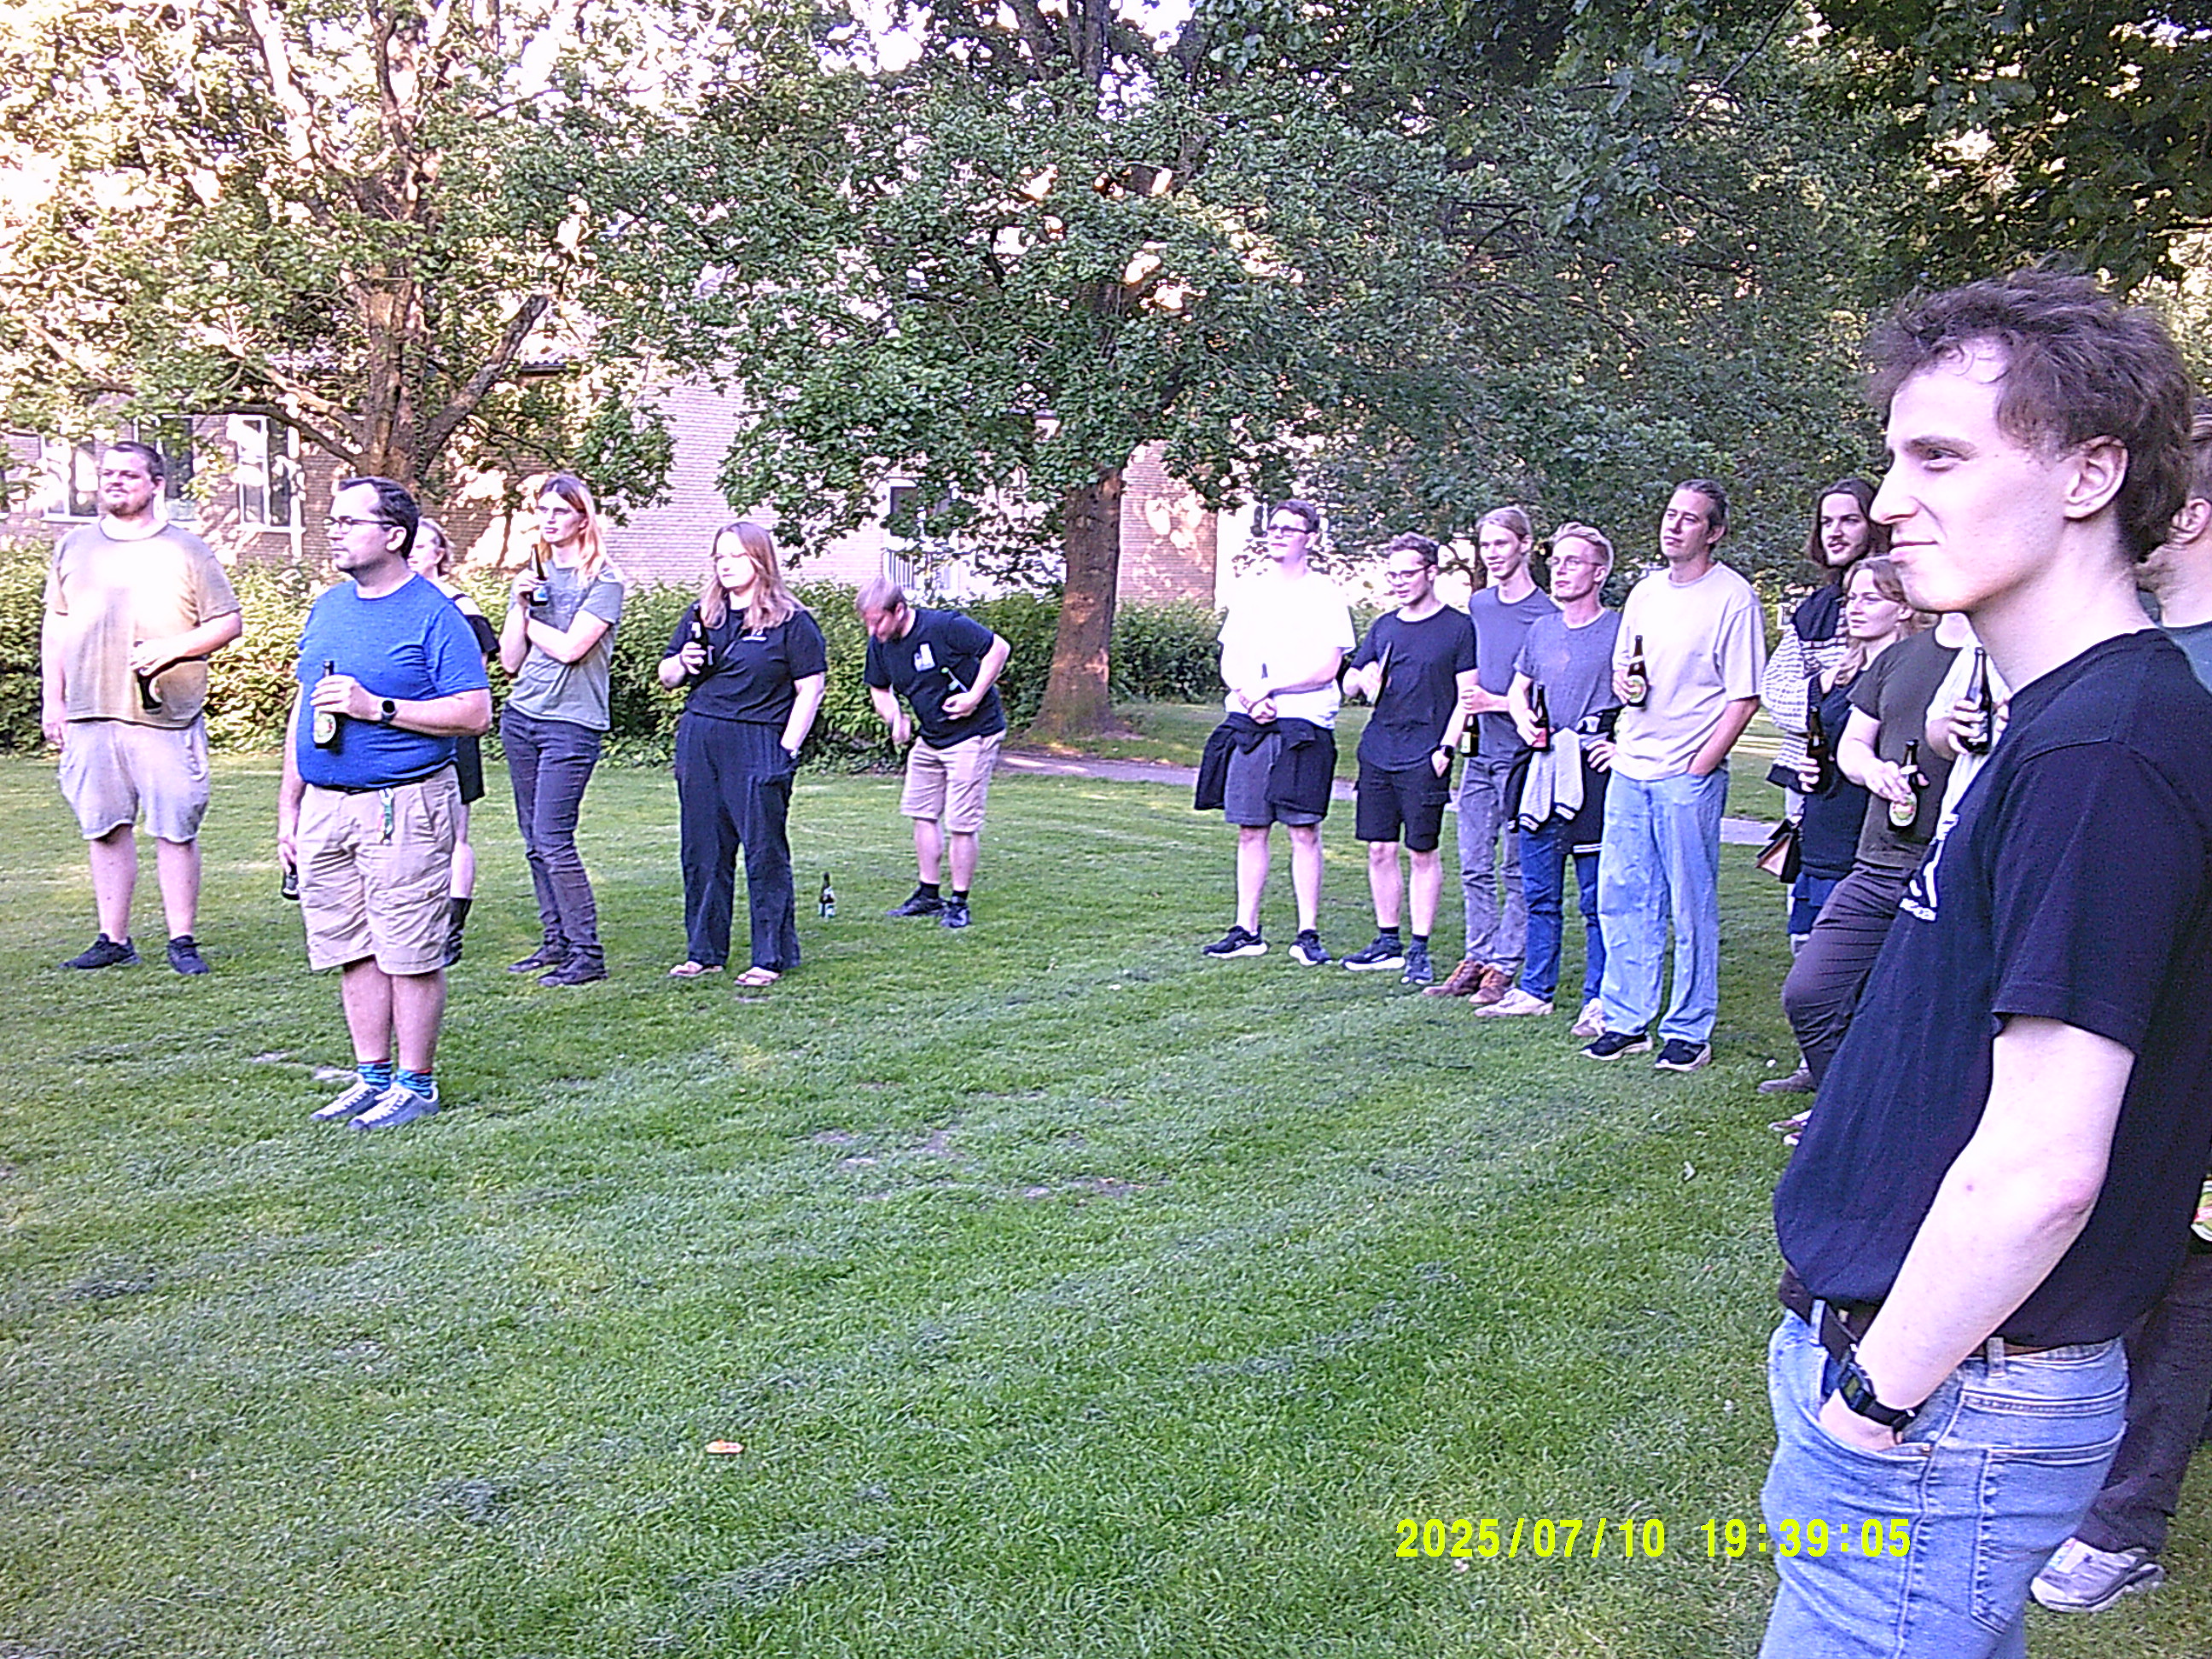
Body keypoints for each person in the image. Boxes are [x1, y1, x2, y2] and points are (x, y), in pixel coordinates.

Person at [1762, 271, 2212, 1659]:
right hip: (1936, 1380)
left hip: (1946, 1399)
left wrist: (1874, 1402)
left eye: (1940, 457)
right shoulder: (2056, 721)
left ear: (2090, 473)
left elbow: (2042, 1167)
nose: (1889, 500)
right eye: (1893, 458)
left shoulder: (2105, 750)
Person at [2029, 394, 2212, 1616]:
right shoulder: (2125, 658)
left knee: (2194, 1265)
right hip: (2133, 1006)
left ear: (2186, 514)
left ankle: (2127, 1519)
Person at [278, 477, 491, 1131]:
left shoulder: (435, 615)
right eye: (333, 521)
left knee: (409, 948)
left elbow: (475, 712)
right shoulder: (329, 608)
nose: (334, 531)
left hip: (405, 803)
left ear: (394, 535)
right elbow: (303, 708)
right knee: (351, 945)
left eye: (350, 522)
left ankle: (416, 1084)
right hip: (327, 804)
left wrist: (380, 709)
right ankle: (371, 1077)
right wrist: (289, 808)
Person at [1581, 480, 1765, 1072]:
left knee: (1690, 906)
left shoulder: (1734, 598)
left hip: (1687, 774)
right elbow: (1625, 670)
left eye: (1690, 518)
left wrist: (1700, 765)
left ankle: (1689, 1029)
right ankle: (1626, 1020)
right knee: (1623, 897)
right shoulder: (1645, 591)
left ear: (1714, 532)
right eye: (1670, 514)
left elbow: (1744, 697)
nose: (1674, 525)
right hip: (1632, 767)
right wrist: (1624, 685)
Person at [40, 439, 242, 974]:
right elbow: (56, 625)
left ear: (157, 485)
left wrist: (173, 649)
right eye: (107, 473)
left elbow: (228, 622)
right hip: (89, 711)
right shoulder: (74, 546)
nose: (114, 481)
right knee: (104, 827)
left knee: (175, 827)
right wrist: (53, 700)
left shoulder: (187, 549)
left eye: (128, 474)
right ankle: (114, 939)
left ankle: (182, 940)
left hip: (164, 714)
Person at [1764, 560, 1936, 1113]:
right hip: (1828, 828)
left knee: (1867, 983)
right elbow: (1832, 743)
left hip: (1877, 838)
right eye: (1850, 598)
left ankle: (1853, 1102)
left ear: (1904, 606)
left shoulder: (1920, 670)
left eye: (1869, 597)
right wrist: (1813, 768)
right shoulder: (1844, 674)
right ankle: (1830, 1087)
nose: (1853, 608)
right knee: (1812, 966)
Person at [658, 522, 828, 985]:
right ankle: (704, 952)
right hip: (700, 738)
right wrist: (682, 662)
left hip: (758, 741)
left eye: (736, 556)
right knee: (702, 850)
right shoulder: (704, 615)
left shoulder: (791, 621)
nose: (726, 565)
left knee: (763, 852)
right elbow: (667, 676)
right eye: (720, 557)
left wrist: (787, 749)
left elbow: (810, 689)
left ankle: (770, 956)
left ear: (760, 559)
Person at [1193, 498, 1353, 964]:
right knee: (1250, 829)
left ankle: (1308, 934)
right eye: (1274, 527)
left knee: (1303, 830)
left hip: (1304, 725)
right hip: (1251, 723)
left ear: (1311, 539)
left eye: (1289, 529)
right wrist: (1249, 696)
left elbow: (1327, 667)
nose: (1278, 535)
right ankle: (1247, 930)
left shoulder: (1325, 594)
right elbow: (1231, 658)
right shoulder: (1251, 590)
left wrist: (1269, 687)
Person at [1478, 523, 1620, 1026]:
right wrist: (1523, 720)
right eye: (1556, 561)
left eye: (1573, 562)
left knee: (1596, 898)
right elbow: (1519, 688)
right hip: (1542, 769)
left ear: (1599, 573)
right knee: (1538, 889)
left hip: (1593, 774)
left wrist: (1619, 744)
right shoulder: (1541, 630)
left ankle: (1600, 998)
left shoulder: (1619, 629)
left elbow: (1643, 694)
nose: (1560, 570)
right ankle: (1536, 989)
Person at [499, 473, 625, 986]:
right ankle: (556, 942)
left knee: (553, 838)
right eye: (543, 510)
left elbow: (574, 649)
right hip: (522, 717)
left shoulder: (605, 581)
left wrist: (531, 624)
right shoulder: (533, 577)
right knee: (534, 840)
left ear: (582, 518)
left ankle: (587, 953)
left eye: (560, 511)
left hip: (571, 724)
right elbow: (510, 661)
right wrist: (520, 604)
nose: (549, 520)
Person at [1429, 507, 1556, 1003]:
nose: (1492, 554)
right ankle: (1477, 956)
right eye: (1485, 545)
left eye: (1501, 543)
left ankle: (1505, 964)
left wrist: (1498, 703)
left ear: (1525, 545)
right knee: (1474, 864)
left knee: (1516, 867)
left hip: (1523, 757)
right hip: (1479, 754)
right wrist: (1454, 735)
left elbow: (1552, 695)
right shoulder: (1480, 605)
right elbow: (1470, 682)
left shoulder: (1546, 613)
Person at [1339, 533, 1476, 986]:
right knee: (1379, 849)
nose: (1398, 582)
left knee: (1422, 851)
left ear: (1431, 572)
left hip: (1426, 753)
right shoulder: (1384, 627)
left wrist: (1446, 749)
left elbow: (1467, 696)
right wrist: (1361, 678)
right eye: (1392, 574)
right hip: (1379, 750)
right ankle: (1387, 942)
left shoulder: (1458, 628)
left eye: (1407, 573)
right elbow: (1350, 684)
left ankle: (1419, 948)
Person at [858, 578, 1011, 931]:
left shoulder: (944, 626)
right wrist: (895, 718)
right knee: (921, 812)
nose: (872, 630)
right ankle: (928, 895)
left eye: (878, 621)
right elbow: (880, 689)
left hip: (974, 734)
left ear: (899, 610)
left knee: (961, 822)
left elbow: (998, 648)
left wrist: (973, 696)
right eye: (867, 622)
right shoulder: (880, 644)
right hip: (931, 737)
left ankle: (958, 903)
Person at [1759, 479, 1888, 810]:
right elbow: (1775, 693)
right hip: (1809, 776)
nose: (1835, 532)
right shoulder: (1815, 610)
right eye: (1826, 522)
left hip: (1880, 776)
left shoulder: (1906, 602)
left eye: (1850, 521)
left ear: (1875, 526)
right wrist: (1827, 681)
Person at [408, 518, 498, 966]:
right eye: (410, 545)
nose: (413, 553)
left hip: (451, 729)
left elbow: (471, 678)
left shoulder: (461, 606)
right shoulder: (395, 602)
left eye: (423, 546)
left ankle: (451, 930)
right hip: (402, 729)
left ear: (441, 553)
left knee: (454, 833)